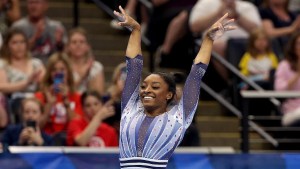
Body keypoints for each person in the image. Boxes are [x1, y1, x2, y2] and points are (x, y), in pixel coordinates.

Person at [114, 6, 235, 168]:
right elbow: (134, 66)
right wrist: (136, 30)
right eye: (143, 87)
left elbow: (195, 75)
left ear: (169, 95)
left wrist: (208, 40)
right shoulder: (130, 109)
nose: (146, 90)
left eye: (155, 87)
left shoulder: (177, 118)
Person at [189, 0, 261, 81]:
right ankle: (231, 83)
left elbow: (258, 30)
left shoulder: (247, 6)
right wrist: (219, 13)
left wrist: (237, 16)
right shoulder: (205, 3)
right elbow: (194, 27)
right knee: (217, 46)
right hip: (217, 42)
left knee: (260, 43)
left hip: (245, 43)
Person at [0, 28, 45, 124]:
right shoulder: (3, 64)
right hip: (14, 100)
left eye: (22, 42)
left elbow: (44, 84)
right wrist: (26, 83)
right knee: (22, 102)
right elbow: (2, 86)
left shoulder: (36, 63)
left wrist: (41, 83)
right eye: (15, 43)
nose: (19, 46)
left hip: (36, 99)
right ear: (7, 46)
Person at [35, 52, 83, 136]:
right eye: (54, 70)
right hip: (47, 140)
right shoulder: (40, 96)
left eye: (62, 69)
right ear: (49, 73)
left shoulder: (77, 97)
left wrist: (67, 105)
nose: (58, 73)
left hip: (69, 140)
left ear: (68, 72)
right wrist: (49, 105)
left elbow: (80, 127)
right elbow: (36, 126)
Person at [12, 0, 67, 64]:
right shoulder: (18, 28)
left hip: (51, 69)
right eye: (31, 3)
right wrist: (35, 38)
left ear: (46, 5)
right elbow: (13, 52)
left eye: (37, 2)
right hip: (26, 67)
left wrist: (59, 44)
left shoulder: (56, 27)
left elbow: (66, 54)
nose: (33, 6)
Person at [66, 27, 105, 95]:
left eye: (82, 42)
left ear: (88, 46)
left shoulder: (96, 67)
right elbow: (65, 92)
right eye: (74, 42)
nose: (78, 45)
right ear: (68, 47)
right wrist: (82, 76)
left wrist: (89, 76)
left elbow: (99, 95)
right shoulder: (63, 67)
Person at [275, 32, 300, 127]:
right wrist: (298, 73)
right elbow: (279, 90)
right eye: (299, 43)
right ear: (293, 47)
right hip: (291, 110)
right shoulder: (284, 65)